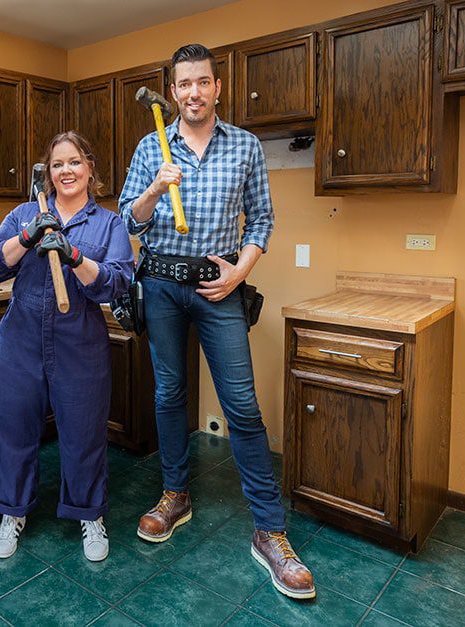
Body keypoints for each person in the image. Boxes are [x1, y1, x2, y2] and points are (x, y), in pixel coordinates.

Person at [118, 43, 315, 599]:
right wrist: (155, 188)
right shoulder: (150, 147)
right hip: (158, 282)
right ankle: (174, 495)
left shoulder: (245, 146)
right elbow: (128, 220)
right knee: (168, 393)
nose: (194, 93)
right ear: (173, 90)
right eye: (184, 84)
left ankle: (269, 532)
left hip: (218, 285)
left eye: (203, 82)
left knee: (242, 404)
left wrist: (239, 272)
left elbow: (263, 221)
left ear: (217, 87)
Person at [0, 131, 133, 562]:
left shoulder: (108, 223)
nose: (66, 170)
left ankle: (89, 515)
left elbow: (118, 282)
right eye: (57, 164)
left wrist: (74, 255)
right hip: (20, 338)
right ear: (47, 173)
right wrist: (27, 237)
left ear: (89, 170)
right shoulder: (26, 213)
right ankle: (12, 512)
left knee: (84, 433)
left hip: (80, 340)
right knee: (15, 429)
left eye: (74, 162)